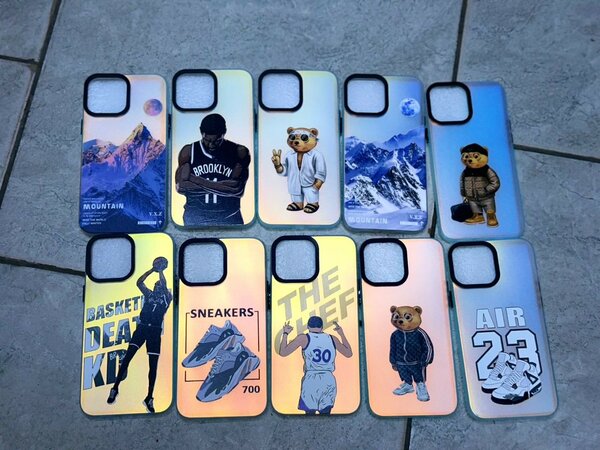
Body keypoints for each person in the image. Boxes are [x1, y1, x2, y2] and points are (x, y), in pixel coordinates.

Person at [107, 257, 172, 413]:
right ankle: (115, 388)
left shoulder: (167, 298)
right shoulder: (150, 295)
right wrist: (152, 270)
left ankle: (149, 397)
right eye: (156, 285)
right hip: (142, 328)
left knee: (153, 366)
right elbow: (139, 282)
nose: (157, 286)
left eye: (159, 285)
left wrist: (160, 272)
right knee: (127, 358)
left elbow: (164, 285)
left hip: (154, 331)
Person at [175, 113, 251, 226]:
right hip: (195, 218)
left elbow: (237, 190)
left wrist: (194, 179)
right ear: (201, 133)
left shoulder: (239, 151)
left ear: (224, 133)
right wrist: (223, 187)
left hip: (229, 218)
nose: (211, 145)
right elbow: (181, 187)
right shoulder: (188, 151)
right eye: (207, 140)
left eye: (217, 141)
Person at [278, 316, 352, 415]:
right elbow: (348, 353)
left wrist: (285, 333)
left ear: (308, 326)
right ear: (322, 327)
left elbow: (283, 352)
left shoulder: (303, 338)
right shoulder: (332, 338)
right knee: (326, 416)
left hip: (311, 379)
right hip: (328, 379)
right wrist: (341, 334)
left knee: (309, 417)